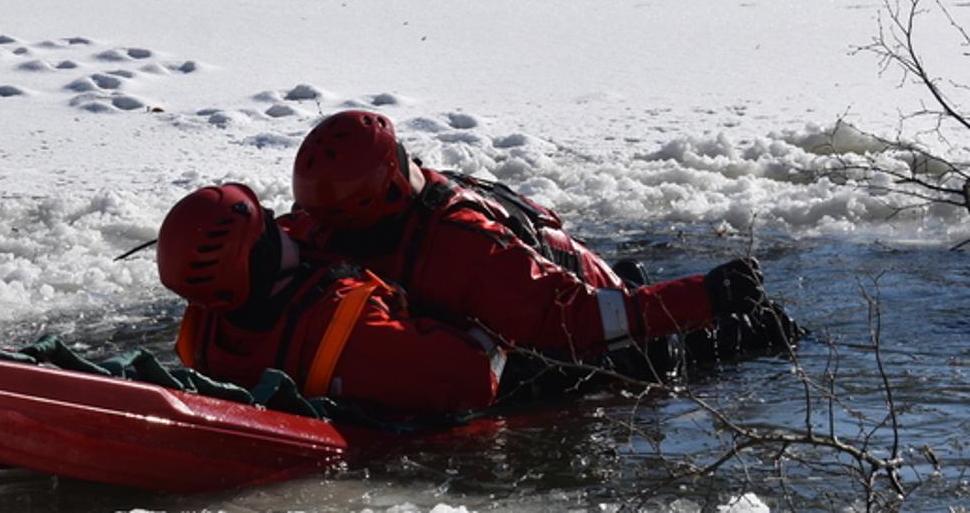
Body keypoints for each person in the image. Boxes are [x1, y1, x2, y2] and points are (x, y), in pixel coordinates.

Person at [288, 110, 800, 379]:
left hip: (606, 335)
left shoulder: (467, 252)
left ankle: (756, 327)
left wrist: (703, 297)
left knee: (702, 350)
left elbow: (580, 323)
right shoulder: (364, 215)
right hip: (565, 292)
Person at [158, 184, 508, 415]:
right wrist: (496, 332)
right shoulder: (356, 332)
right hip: (414, 372)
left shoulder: (205, 321)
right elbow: (474, 381)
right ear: (260, 257)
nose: (280, 224)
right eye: (267, 224)